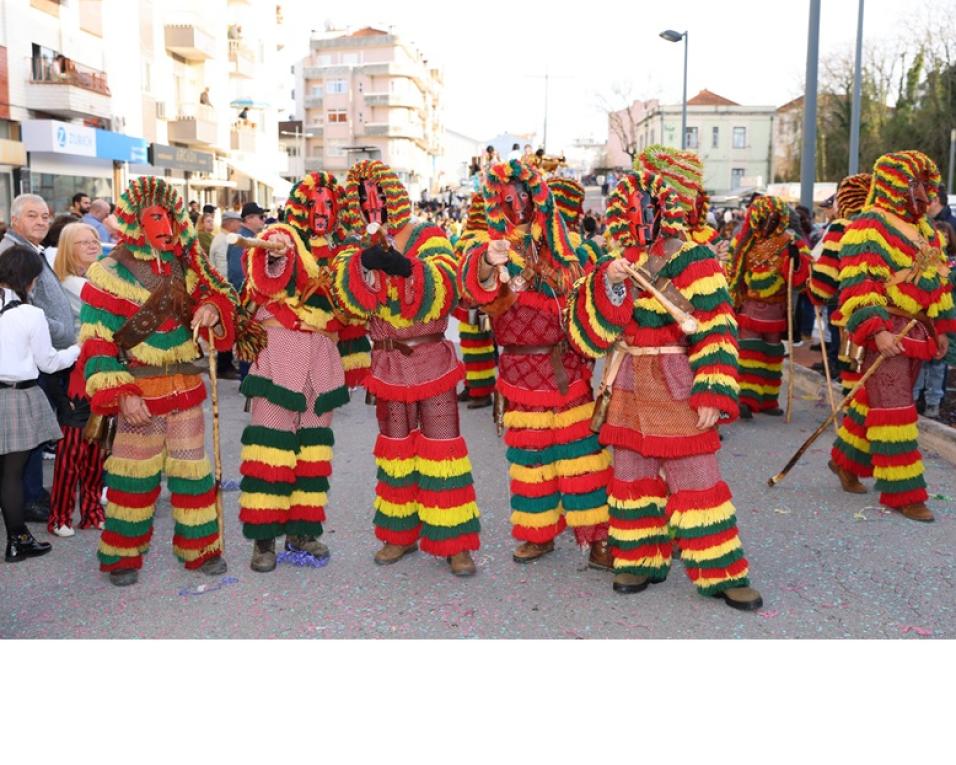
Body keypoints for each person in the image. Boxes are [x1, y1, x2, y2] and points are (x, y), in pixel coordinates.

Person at [566, 169, 761, 610]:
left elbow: (717, 329)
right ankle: (638, 558)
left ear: (667, 210)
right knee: (631, 475)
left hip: (678, 379)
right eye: (634, 208)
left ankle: (722, 569)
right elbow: (590, 336)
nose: (643, 217)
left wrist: (713, 391)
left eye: (651, 207)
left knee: (697, 478)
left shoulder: (697, 259)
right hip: (630, 378)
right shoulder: (611, 262)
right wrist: (610, 283)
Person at [78, 176, 239, 585]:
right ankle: (122, 557)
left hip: (185, 389)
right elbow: (97, 342)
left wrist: (211, 308)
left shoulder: (187, 264)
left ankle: (200, 549)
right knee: (133, 477)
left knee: (193, 474)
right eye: (155, 216)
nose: (165, 224)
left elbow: (222, 294)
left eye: (169, 215)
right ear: (136, 219)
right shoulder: (108, 272)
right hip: (140, 393)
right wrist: (122, 394)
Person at [458, 159, 612, 569]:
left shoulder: (573, 249)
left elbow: (596, 302)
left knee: (582, 459)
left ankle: (597, 538)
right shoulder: (488, 249)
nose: (518, 205)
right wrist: (491, 263)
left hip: (565, 369)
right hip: (517, 373)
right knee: (529, 460)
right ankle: (537, 534)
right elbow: (473, 288)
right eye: (507, 198)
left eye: (524, 195)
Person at [331, 159, 480, 577]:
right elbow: (346, 302)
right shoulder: (352, 246)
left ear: (393, 195)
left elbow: (448, 286)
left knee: (443, 449)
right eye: (361, 198)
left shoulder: (428, 235)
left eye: (376, 195)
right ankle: (398, 534)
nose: (370, 204)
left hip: (431, 359)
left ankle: (454, 542)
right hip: (387, 361)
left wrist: (407, 268)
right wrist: (362, 265)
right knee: (395, 450)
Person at [237, 171, 366, 572]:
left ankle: (302, 531)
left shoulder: (346, 251)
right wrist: (275, 254)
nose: (323, 212)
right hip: (279, 353)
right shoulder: (282, 236)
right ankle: (263, 541)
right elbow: (260, 265)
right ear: (301, 205)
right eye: (316, 204)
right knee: (269, 449)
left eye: (331, 204)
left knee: (313, 451)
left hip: (322, 357)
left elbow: (356, 305)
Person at [828, 150, 956, 522]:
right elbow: (858, 284)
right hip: (888, 332)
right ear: (893, 183)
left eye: (924, 184)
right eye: (914, 183)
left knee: (875, 402)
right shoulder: (868, 226)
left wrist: (941, 328)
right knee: (897, 409)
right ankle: (904, 493)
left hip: (919, 331)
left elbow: (938, 283)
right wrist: (877, 331)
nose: (922, 192)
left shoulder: (927, 230)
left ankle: (845, 462)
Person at [1, 246, 80, 561]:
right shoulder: (30, 314)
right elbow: (49, 363)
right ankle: (18, 540)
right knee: (12, 473)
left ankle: (18, 538)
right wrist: (79, 349)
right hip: (17, 397)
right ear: (30, 279)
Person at [727, 195, 811, 417]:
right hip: (750, 306)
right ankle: (746, 398)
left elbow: (803, 278)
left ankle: (767, 400)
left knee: (773, 353)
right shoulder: (743, 243)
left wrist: (797, 260)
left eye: (773, 219)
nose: (767, 224)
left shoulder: (791, 243)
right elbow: (731, 272)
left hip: (777, 308)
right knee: (749, 352)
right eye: (763, 219)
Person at [48, 223, 107, 536]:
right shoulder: (71, 281)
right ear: (68, 248)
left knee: (96, 448)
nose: (92, 245)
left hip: (101, 369)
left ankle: (92, 510)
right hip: (76, 374)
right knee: (72, 451)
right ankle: (59, 515)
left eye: (94, 239)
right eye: (83, 242)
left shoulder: (93, 276)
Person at [807, 174, 872, 391]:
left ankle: (857, 421)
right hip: (896, 320)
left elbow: (823, 282)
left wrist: (814, 291)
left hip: (856, 317)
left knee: (855, 376)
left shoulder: (842, 227)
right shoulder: (896, 227)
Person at [452, 196, 496, 409]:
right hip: (474, 305)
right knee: (473, 347)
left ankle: (482, 392)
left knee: (479, 347)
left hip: (477, 306)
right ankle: (472, 386)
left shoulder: (473, 239)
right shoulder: (486, 237)